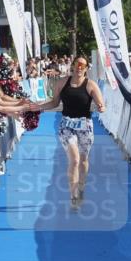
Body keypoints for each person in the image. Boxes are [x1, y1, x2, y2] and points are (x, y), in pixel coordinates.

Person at [34, 56, 106, 209]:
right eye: (77, 64)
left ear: (86, 68)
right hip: (67, 126)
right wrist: (37, 107)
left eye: (83, 65)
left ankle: (81, 187)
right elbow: (54, 103)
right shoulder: (62, 82)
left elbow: (101, 103)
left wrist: (101, 107)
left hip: (85, 126)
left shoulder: (90, 85)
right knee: (74, 160)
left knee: (84, 160)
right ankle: (73, 196)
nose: (79, 67)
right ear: (73, 66)